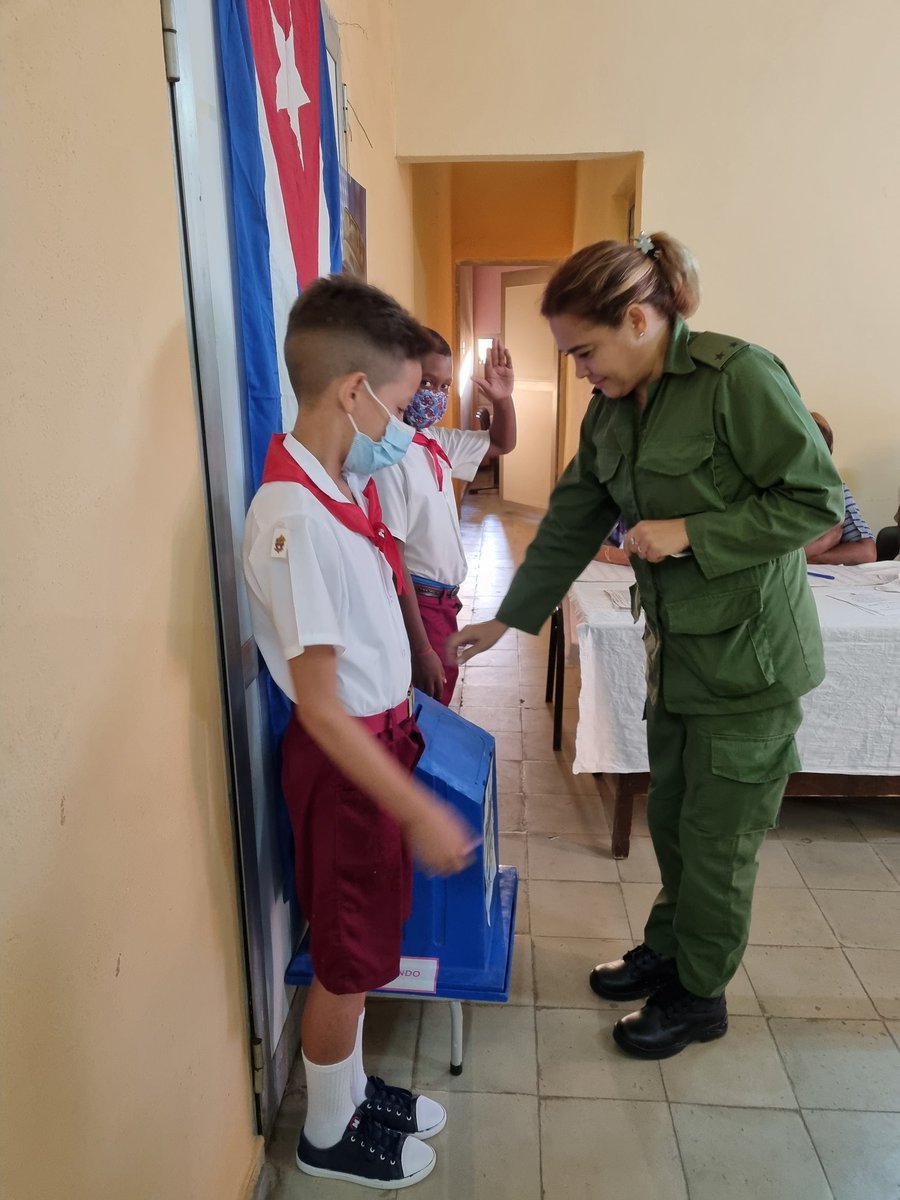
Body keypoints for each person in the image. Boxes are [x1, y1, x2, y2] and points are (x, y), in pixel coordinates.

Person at [449, 233, 844, 1060]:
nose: (581, 370)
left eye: (585, 352)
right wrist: (507, 617)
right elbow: (571, 517)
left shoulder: (739, 378)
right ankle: (669, 952)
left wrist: (694, 531)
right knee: (673, 819)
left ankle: (700, 996)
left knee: (720, 840)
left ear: (637, 318)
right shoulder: (613, 410)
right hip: (682, 654)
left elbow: (813, 500)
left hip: (752, 664)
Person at [243, 276, 476, 1188]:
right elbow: (321, 708)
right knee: (345, 955)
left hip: (379, 742)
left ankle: (349, 1087)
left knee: (370, 935)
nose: (411, 424)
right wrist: (413, 809)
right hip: (350, 764)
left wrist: (418, 655)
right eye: (404, 398)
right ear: (354, 393)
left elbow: (380, 599)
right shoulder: (293, 518)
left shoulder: (335, 486)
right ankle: (326, 1135)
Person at [375, 328, 517, 704]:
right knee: (428, 710)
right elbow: (394, 559)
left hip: (443, 602)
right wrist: (422, 648)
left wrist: (503, 401)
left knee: (437, 706)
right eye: (426, 382)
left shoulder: (433, 441)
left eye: (444, 386)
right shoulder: (389, 456)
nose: (434, 395)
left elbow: (501, 443)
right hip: (420, 605)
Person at [804, 412, 876, 564]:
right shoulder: (765, 488)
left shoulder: (835, 489)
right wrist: (820, 545)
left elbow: (867, 552)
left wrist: (812, 556)